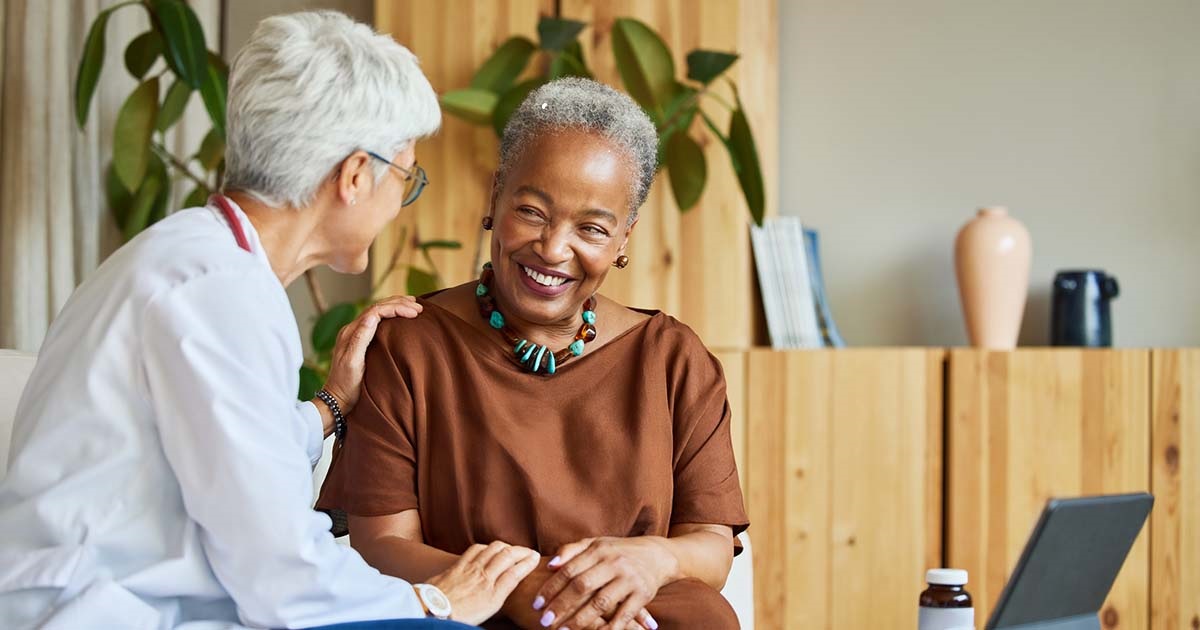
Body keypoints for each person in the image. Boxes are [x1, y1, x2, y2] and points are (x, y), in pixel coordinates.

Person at [0, 11, 537, 629]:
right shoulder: (218, 291)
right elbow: (283, 576)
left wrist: (332, 403)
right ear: (356, 176)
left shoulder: (193, 260)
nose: (401, 202)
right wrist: (437, 601)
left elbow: (226, 457)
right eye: (406, 176)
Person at [316, 78, 749, 630]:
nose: (552, 248)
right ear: (496, 196)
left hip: (629, 613)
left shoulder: (674, 360)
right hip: (471, 612)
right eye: (533, 211)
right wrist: (522, 592)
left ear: (623, 240)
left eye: (591, 228)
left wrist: (653, 559)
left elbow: (710, 547)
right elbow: (382, 547)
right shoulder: (409, 347)